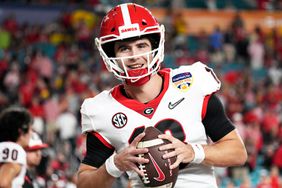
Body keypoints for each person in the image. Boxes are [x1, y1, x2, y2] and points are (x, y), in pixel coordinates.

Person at [76, 3, 248, 188]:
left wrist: (194, 152)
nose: (135, 56)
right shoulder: (102, 110)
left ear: (156, 46)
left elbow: (238, 152)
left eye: (141, 45)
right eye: (124, 48)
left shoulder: (191, 85)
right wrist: (114, 165)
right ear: (110, 54)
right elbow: (84, 183)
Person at [0, 106, 33, 188]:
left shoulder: (3, 146)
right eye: (30, 129)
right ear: (21, 131)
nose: (31, 133)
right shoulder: (14, 149)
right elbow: (3, 183)